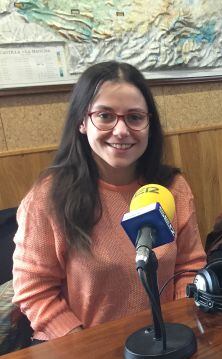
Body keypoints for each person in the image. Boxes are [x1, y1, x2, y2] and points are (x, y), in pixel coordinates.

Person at [12, 62, 206, 341]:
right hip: (82, 347)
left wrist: (177, 324)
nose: (121, 130)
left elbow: (190, 267)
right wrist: (85, 344)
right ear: (82, 121)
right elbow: (34, 290)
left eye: (135, 117)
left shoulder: (172, 188)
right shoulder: (47, 198)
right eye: (105, 116)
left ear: (149, 123)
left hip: (162, 340)